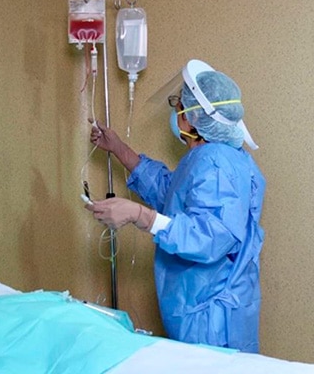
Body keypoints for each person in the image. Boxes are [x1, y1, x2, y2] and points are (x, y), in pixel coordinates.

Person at [85, 59, 266, 353]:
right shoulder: (211, 158)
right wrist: (118, 148)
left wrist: (139, 215)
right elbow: (171, 194)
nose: (176, 111)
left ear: (193, 117)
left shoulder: (217, 163)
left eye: (178, 104)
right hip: (203, 308)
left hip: (212, 317)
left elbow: (212, 236)